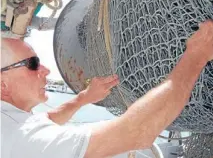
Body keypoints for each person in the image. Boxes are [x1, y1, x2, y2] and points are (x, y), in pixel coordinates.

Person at [1, 20, 213, 158]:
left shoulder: (11, 121)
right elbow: (137, 132)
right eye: (32, 64)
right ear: (2, 84)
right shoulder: (23, 141)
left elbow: (47, 119)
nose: (45, 70)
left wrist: (83, 99)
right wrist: (197, 54)